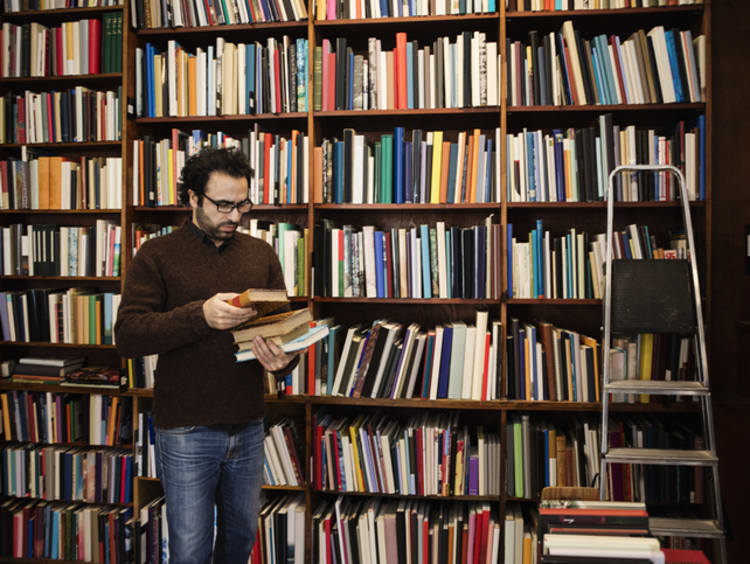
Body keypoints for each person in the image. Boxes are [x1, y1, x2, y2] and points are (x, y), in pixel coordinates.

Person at [114, 147, 298, 564]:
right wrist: (200, 316)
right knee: (191, 548)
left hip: (248, 424)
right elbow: (128, 335)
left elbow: (282, 331)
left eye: (243, 204)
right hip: (187, 429)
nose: (235, 216)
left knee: (240, 540)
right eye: (224, 205)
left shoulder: (260, 253)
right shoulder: (157, 255)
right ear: (193, 198)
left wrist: (284, 359)